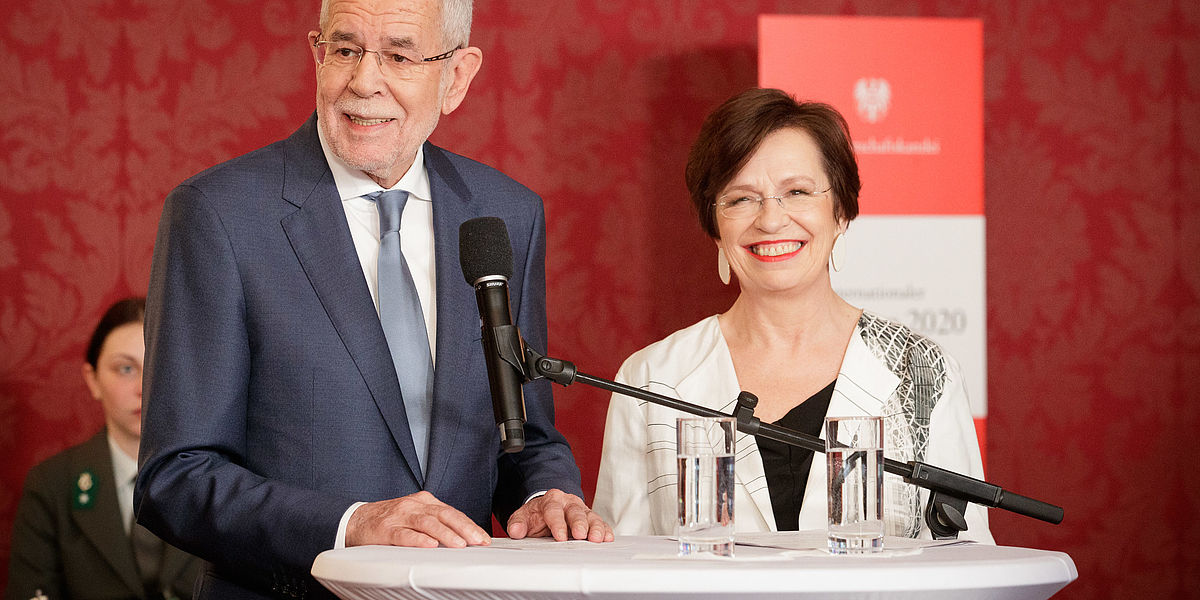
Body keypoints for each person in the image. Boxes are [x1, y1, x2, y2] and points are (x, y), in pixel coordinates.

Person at [135, 0, 611, 597]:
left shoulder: (505, 214)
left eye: (399, 56)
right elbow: (174, 478)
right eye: (345, 49)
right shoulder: (220, 215)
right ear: (316, 56)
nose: (364, 82)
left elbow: (524, 434)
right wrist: (349, 525)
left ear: (457, 76)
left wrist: (542, 495)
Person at [593, 88, 993, 543]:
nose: (770, 220)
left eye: (797, 192)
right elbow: (622, 566)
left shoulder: (922, 371)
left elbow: (969, 559)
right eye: (741, 199)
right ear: (716, 229)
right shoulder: (651, 381)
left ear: (841, 212)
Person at [6, 298, 202, 600]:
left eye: (158, 367)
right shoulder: (50, 485)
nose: (144, 387)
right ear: (93, 379)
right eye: (126, 368)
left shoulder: (223, 477)